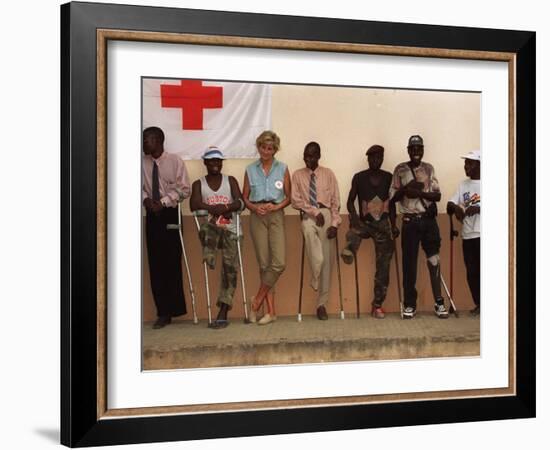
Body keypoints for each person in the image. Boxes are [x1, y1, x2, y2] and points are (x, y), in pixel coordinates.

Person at [390, 135, 449, 319]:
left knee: (434, 261)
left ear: (423, 149)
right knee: (409, 265)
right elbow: (392, 197)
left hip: (428, 221)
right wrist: (406, 189)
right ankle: (409, 304)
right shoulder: (400, 169)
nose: (416, 152)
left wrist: (419, 192)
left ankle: (439, 302)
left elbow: (437, 196)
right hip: (409, 222)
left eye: (419, 148)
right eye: (413, 148)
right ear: (408, 150)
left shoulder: (429, 168)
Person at [340, 145, 398, 319]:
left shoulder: (389, 177)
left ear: (382, 159)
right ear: (368, 159)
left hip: (383, 225)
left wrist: (394, 225)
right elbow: (350, 201)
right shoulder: (359, 177)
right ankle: (349, 249)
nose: (376, 161)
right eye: (372, 158)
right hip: (364, 223)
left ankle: (377, 305)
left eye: (379, 158)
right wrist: (353, 215)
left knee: (384, 266)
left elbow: (393, 203)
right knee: (352, 231)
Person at [190, 147, 244, 329]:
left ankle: (223, 312)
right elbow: (193, 204)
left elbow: (240, 202)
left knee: (230, 270)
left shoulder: (230, 181)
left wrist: (227, 207)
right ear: (205, 162)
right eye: (211, 160)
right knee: (207, 226)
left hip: (230, 232)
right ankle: (209, 251)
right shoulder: (199, 184)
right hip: (211, 232)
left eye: (218, 161)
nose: (215, 164)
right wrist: (214, 209)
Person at [142, 126, 190, 329]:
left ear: (158, 140)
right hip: (152, 215)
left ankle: (175, 308)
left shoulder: (175, 161)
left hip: (170, 212)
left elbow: (184, 188)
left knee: (171, 261)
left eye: (147, 139)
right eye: (143, 139)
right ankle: (162, 312)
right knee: (155, 263)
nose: (144, 143)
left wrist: (163, 201)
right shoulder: (140, 163)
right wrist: (146, 201)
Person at [242, 130, 291, 325]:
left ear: (275, 150)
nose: (266, 151)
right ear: (258, 147)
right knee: (264, 265)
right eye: (263, 147)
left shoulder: (283, 168)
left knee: (278, 263)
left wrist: (276, 206)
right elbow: (244, 197)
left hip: (276, 215)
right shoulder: (250, 169)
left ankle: (256, 301)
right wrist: (254, 207)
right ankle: (270, 312)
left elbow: (289, 197)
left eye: (270, 148)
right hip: (256, 216)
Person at [291, 142, 341, 320]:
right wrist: (313, 211)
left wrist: (334, 224)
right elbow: (295, 201)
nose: (307, 159)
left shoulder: (328, 174)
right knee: (307, 229)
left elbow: (335, 201)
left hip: (326, 214)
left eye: (311, 156)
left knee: (327, 260)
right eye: (305, 155)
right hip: (309, 215)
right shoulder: (297, 175)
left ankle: (321, 304)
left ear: (318, 156)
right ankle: (315, 270)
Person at [447, 150, 481, 316]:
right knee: (472, 272)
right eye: (466, 163)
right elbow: (451, 202)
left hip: (483, 235)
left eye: (470, 163)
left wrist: (480, 208)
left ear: (479, 165)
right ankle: (479, 304)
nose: (466, 166)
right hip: (468, 235)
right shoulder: (463, 185)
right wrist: (456, 208)